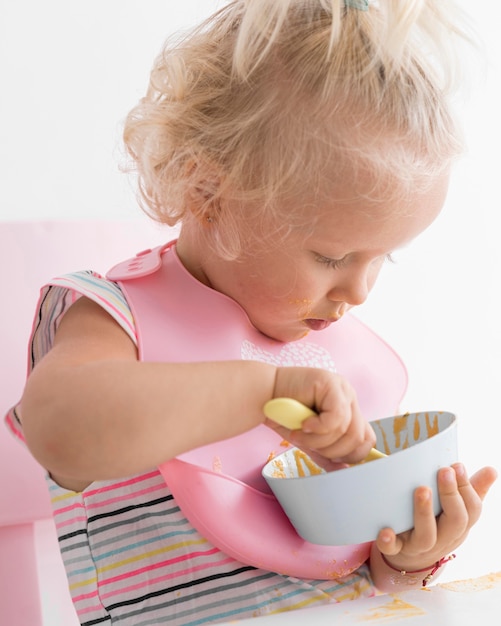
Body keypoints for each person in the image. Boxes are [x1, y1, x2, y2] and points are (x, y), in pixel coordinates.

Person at [6, 0, 497, 624]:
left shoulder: (324, 351)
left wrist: (404, 559)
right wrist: (260, 392)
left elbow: (343, 572)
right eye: (332, 255)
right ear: (208, 193)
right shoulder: (113, 317)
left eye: (383, 260)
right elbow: (60, 431)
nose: (361, 292)